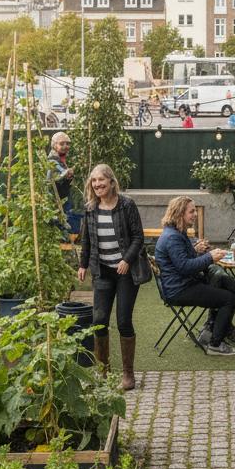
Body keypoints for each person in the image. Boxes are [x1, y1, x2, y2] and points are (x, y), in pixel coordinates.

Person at [77, 164, 145, 390]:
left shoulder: (127, 205)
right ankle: (103, 371)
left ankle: (128, 374)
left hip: (125, 271)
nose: (97, 184)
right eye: (94, 181)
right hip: (102, 271)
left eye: (101, 180)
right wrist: (83, 264)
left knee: (123, 321)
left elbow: (138, 237)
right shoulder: (90, 209)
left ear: (111, 182)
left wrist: (126, 259)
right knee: (99, 322)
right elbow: (86, 239)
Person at [154, 196, 235, 356]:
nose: (195, 214)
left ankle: (210, 330)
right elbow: (184, 267)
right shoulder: (173, 237)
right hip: (179, 289)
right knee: (229, 298)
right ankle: (215, 344)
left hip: (181, 284)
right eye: (191, 211)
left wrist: (199, 251)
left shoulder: (176, 233)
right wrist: (210, 257)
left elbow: (185, 260)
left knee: (221, 283)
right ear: (179, 213)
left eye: (195, 210)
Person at [48, 132, 83, 235]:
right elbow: (58, 173)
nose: (65, 146)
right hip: (58, 199)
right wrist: (67, 172)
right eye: (62, 143)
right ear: (54, 145)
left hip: (64, 198)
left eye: (67, 143)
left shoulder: (61, 159)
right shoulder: (53, 160)